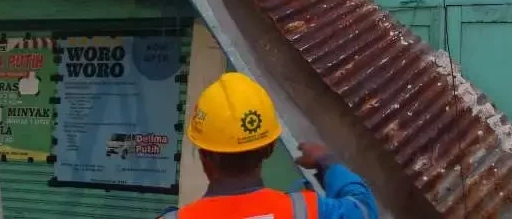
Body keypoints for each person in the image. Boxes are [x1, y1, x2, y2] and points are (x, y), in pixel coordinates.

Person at [158, 72, 378, 219]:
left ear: (205, 155)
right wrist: (327, 162)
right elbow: (365, 209)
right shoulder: (306, 211)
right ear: (270, 148)